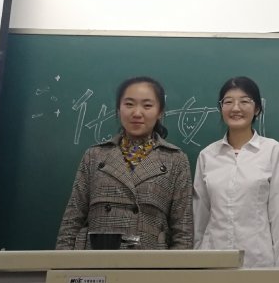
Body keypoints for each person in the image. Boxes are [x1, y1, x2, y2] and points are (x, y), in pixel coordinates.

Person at [56, 76, 193, 250]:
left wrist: (177, 266)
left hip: (150, 261)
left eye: (147, 105)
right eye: (129, 104)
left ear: (160, 112)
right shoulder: (95, 155)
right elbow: (72, 221)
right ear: (118, 109)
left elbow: (183, 231)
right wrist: (63, 262)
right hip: (94, 260)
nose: (137, 113)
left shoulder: (175, 159)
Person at [192, 76, 279, 267]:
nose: (236, 108)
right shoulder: (207, 155)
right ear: (221, 108)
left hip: (259, 262)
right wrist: (197, 261)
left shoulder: (272, 151)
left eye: (244, 101)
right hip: (213, 259)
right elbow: (199, 218)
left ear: (257, 108)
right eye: (228, 102)